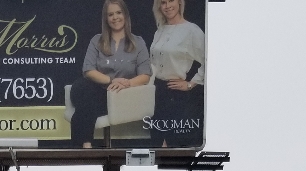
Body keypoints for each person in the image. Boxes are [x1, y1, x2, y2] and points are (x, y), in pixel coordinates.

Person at [69, 0, 151, 148]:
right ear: (106, 18)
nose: (115, 17)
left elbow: (145, 75)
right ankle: (86, 145)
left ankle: (83, 149)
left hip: (122, 95)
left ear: (125, 15)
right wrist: (111, 80)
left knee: (85, 106)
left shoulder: (138, 42)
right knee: (83, 88)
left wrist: (127, 83)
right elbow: (88, 70)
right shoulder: (97, 40)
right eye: (110, 14)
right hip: (96, 91)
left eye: (118, 13)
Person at [149, 0, 205, 147]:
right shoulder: (160, 30)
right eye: (163, 2)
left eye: (171, 1)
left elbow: (209, 60)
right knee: (156, 143)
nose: (168, 6)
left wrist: (190, 84)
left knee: (171, 144)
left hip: (175, 95)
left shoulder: (191, 30)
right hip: (156, 92)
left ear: (180, 2)